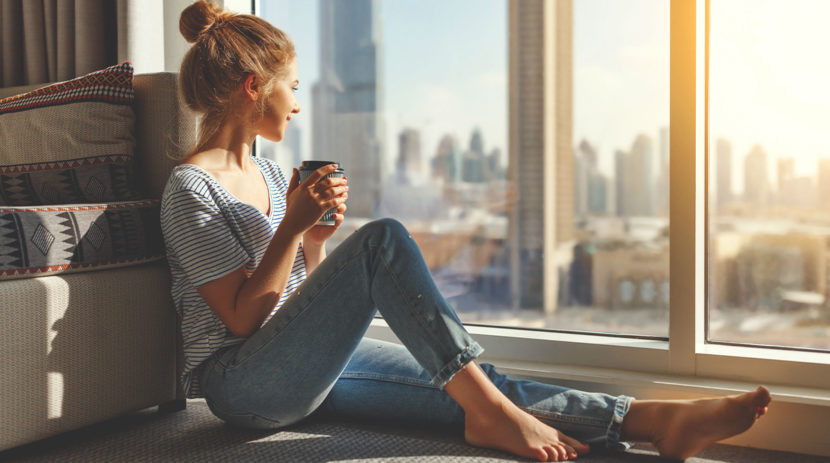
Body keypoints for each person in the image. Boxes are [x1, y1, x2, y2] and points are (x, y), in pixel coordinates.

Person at [160, 2, 771, 461]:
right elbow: (241, 322)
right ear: (253, 88)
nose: (297, 102)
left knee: (469, 382)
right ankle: (500, 418)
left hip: (297, 365)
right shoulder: (191, 188)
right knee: (383, 241)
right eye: (291, 85)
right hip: (242, 387)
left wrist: (312, 244)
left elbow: (295, 304)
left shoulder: (268, 172)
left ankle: (652, 420)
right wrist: (292, 227)